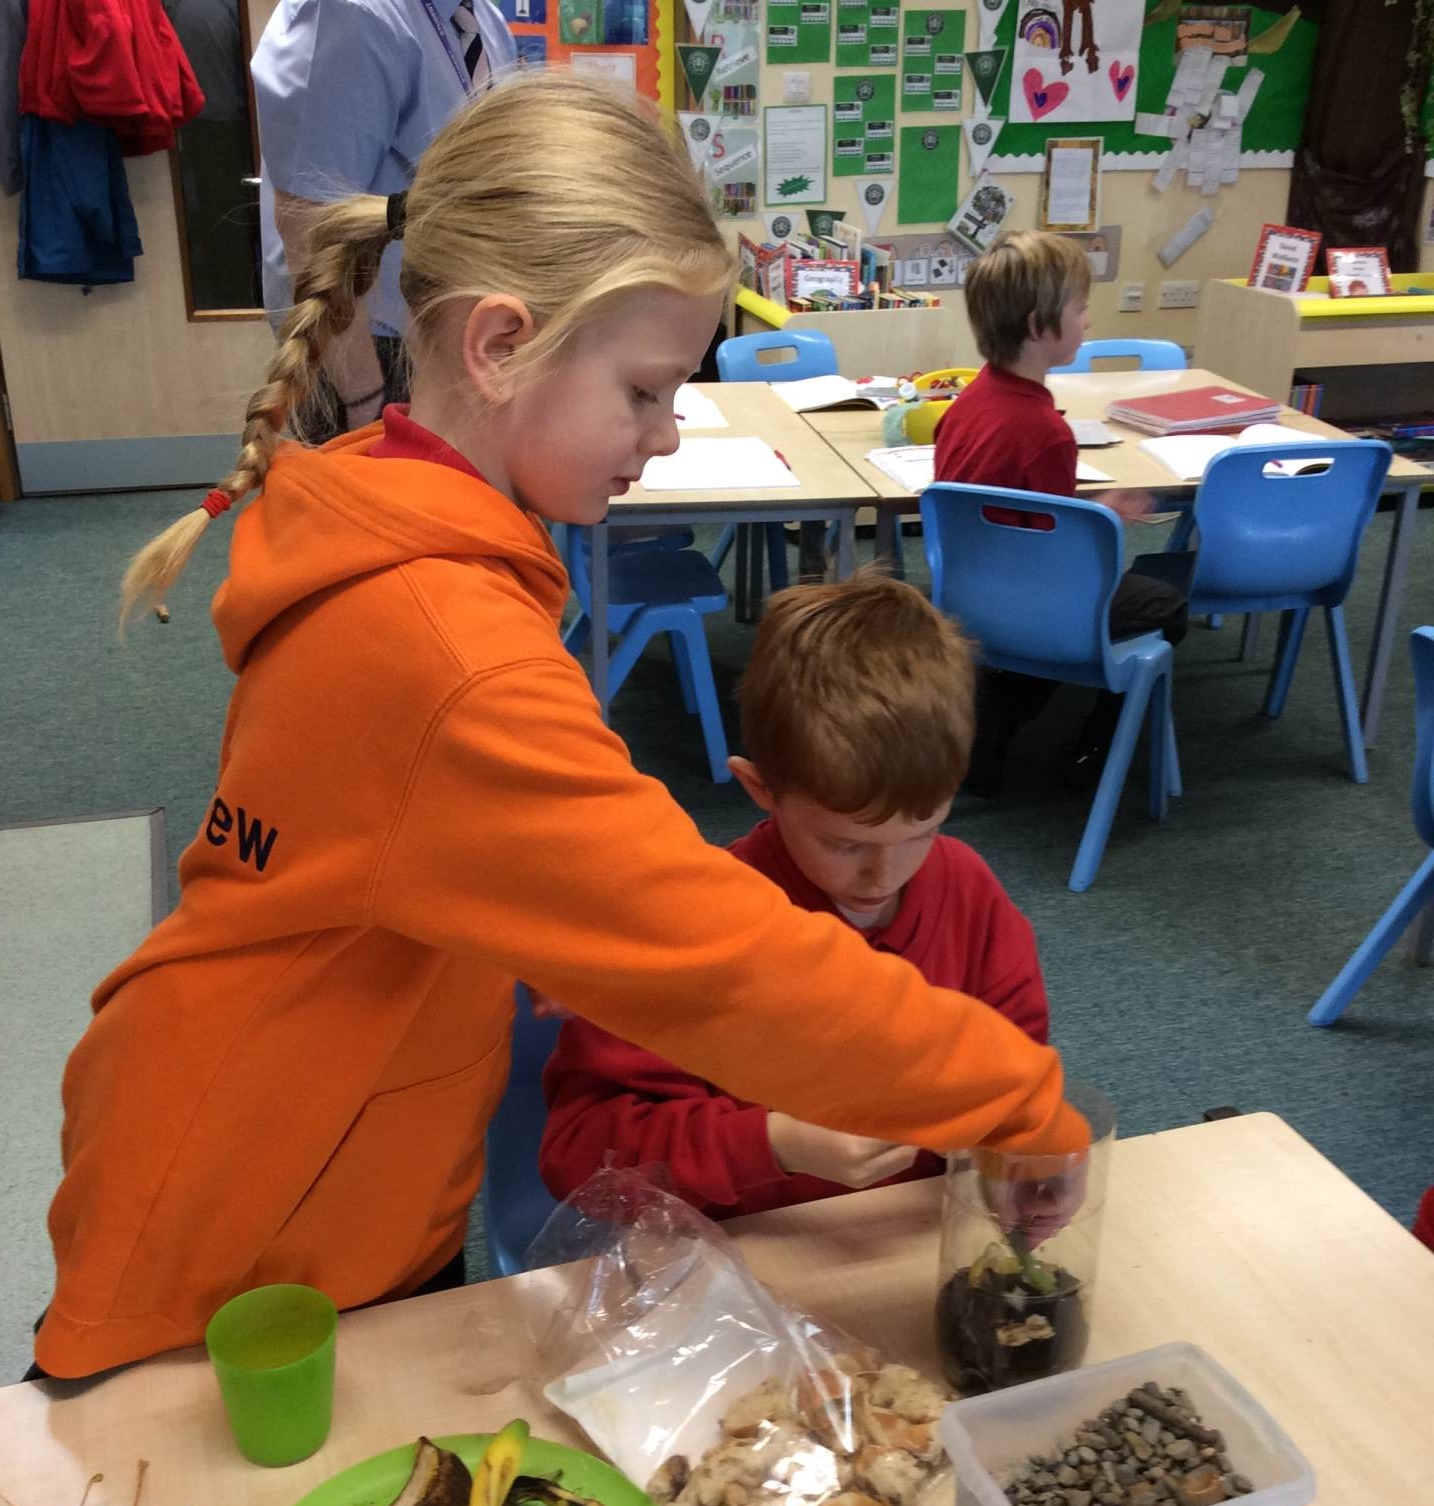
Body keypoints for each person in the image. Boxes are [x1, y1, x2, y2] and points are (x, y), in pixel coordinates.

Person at [33, 78, 1086, 1383]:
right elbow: (724, 961)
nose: (667, 431)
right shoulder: (447, 648)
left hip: (321, 1166)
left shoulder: (389, 526)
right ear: (498, 345)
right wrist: (1016, 1098)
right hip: (242, 1228)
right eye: (644, 390)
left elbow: (384, 855)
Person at [540, 575, 1051, 1219]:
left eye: (923, 832)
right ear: (760, 788)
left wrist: (1018, 1145)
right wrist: (773, 1144)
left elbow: (1017, 1072)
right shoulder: (687, 926)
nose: (884, 875)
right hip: (746, 1256)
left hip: (907, 1240)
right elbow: (580, 1159)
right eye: (844, 844)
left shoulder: (968, 893)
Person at [250, 0, 534, 437]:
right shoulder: (350, 9)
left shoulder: (484, 22)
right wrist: (363, 399)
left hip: (450, 346)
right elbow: (310, 230)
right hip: (371, 369)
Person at [932, 229, 1189, 795]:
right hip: (1030, 601)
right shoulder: (1046, 431)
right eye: (1079, 307)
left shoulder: (969, 401)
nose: (1088, 321)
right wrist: (1106, 519)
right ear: (1037, 326)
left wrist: (1087, 511)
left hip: (970, 591)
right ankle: (1094, 752)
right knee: (1164, 603)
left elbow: (1018, 514)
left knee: (1071, 610)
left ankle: (989, 728)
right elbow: (1059, 561)